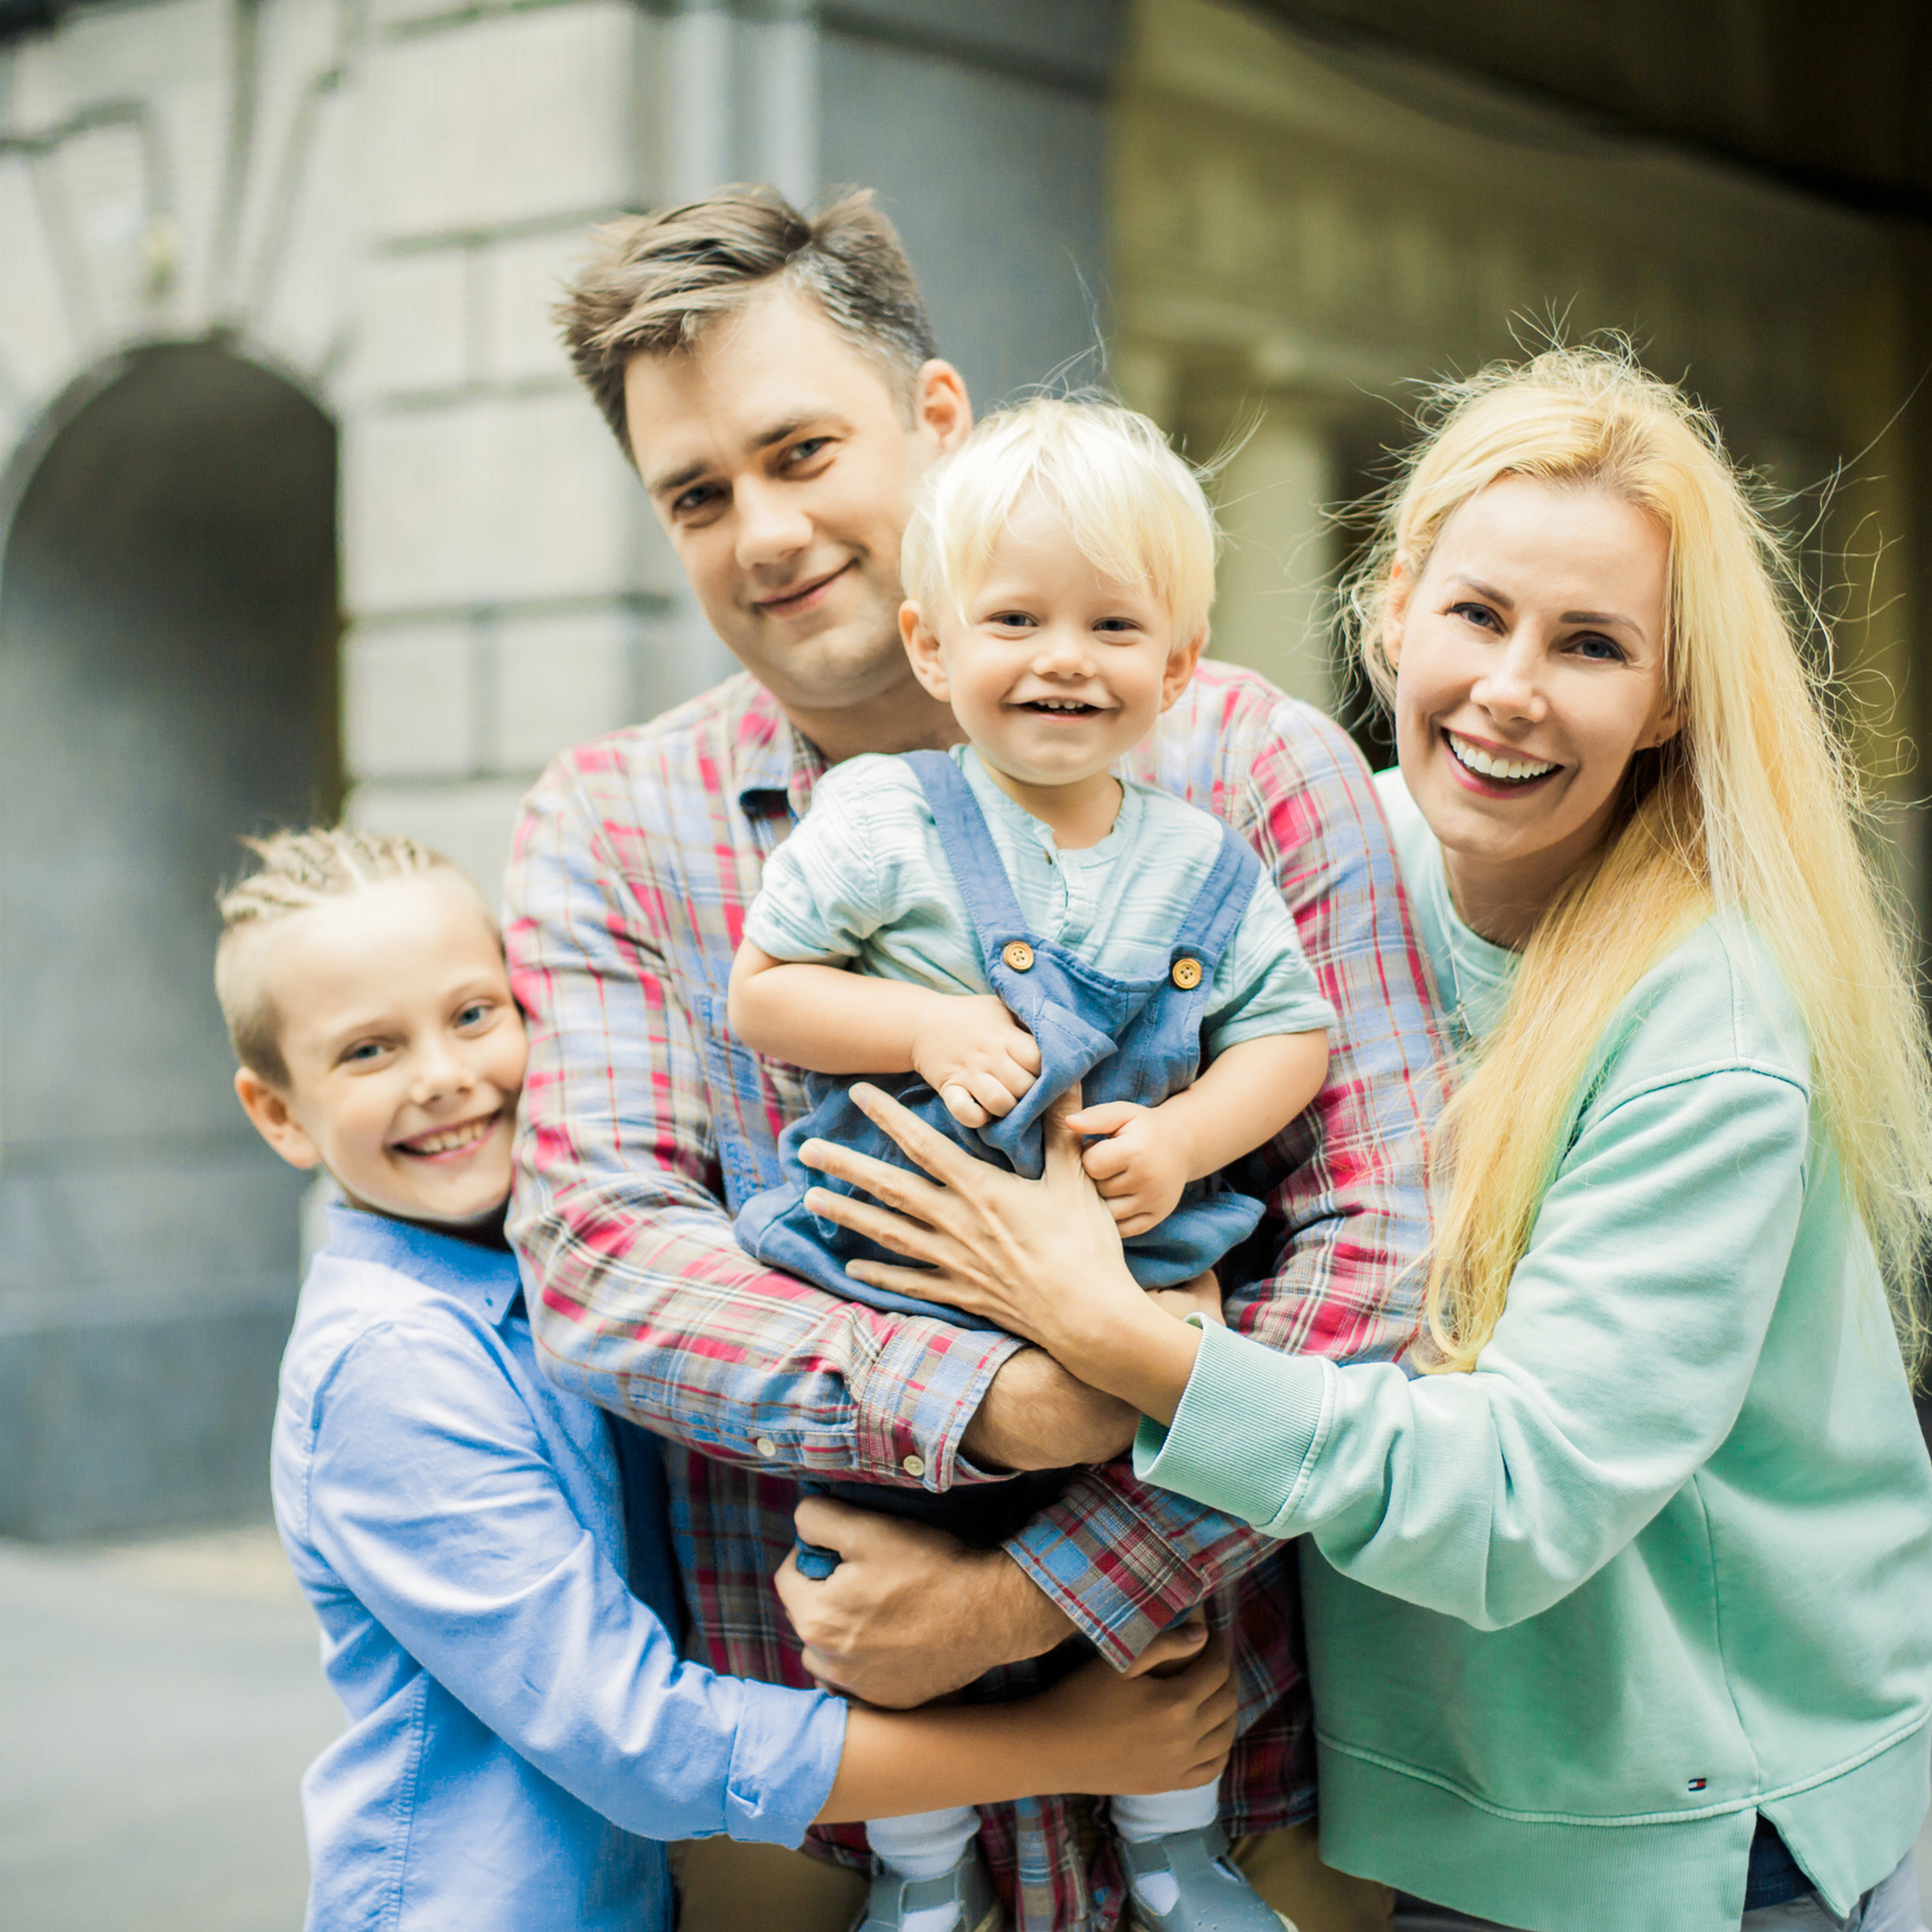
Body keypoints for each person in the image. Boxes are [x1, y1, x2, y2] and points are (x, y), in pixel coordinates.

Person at [789, 344, 1932, 1932]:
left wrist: (1115, 1342)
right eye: (1476, 614)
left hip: (1679, 1833)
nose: (1509, 685)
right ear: (1391, 606)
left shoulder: (1703, 1016)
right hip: (1403, 1811)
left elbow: (1521, 1494)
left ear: (1667, 693)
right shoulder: (1321, 871)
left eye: (1589, 643)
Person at [512, 184, 1444, 1932]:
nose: (765, 530)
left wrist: (1034, 1594)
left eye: (802, 450)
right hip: (828, 1825)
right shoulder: (612, 826)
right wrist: (998, 1401)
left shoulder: (1250, 764)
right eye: (697, 494)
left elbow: (1380, 1246)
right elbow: (607, 1267)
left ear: (936, 422)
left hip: (1244, 1780)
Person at [218, 827, 1241, 1932]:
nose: (445, 1077)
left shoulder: (561, 1265)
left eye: (474, 1015)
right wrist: (1069, 1747)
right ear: (279, 1111)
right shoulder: (393, 1365)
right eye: (368, 1052)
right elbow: (638, 1740)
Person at [726, 396, 1334, 1932]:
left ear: (1176, 665)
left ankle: (1172, 1846)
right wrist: (926, 1024)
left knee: (1152, 1588)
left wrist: (1186, 1134)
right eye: (1014, 618)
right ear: (933, 647)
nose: (1061, 656)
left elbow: (1288, 1035)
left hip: (1131, 1282)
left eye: (1110, 623)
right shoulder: (882, 817)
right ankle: (919, 1880)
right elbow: (768, 989)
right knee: (884, 1582)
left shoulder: (1204, 859)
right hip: (908, 1297)